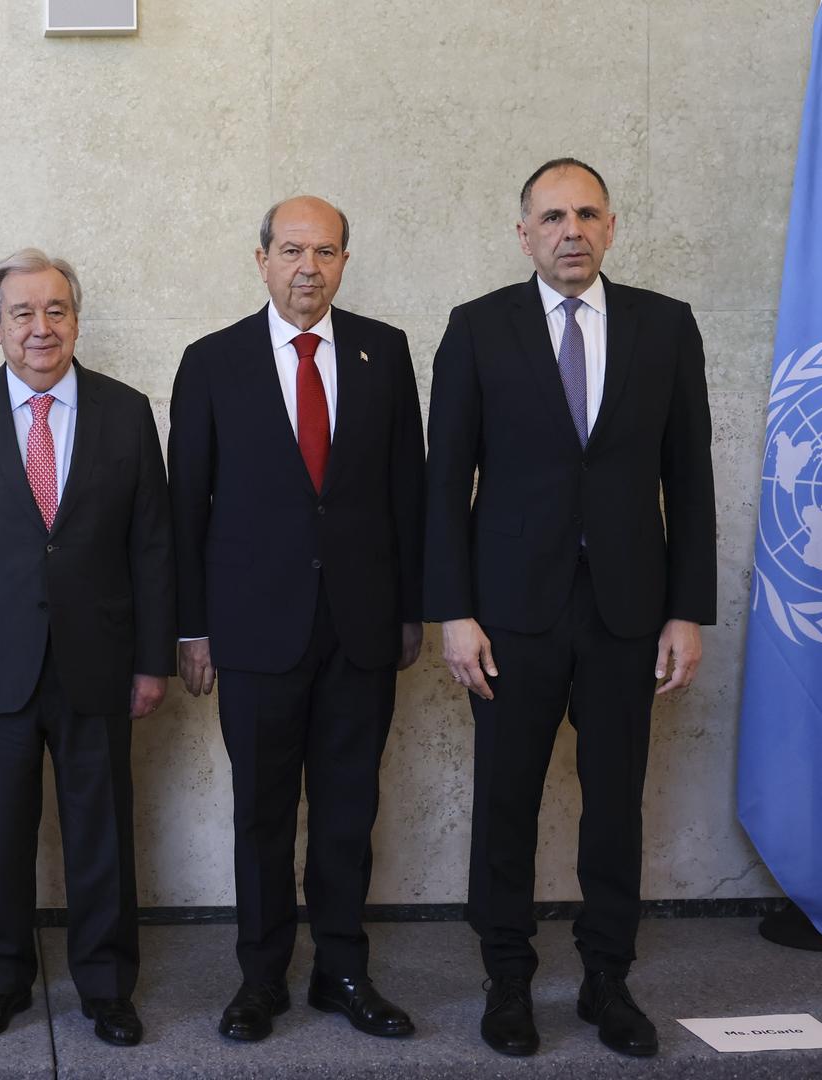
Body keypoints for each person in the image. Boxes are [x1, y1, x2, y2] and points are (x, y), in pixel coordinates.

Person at [425, 158, 716, 1059]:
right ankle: (506, 977)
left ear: (612, 226)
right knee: (506, 800)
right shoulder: (477, 329)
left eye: (587, 214)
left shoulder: (666, 326)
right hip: (510, 614)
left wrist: (686, 610)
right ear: (524, 234)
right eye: (552, 217)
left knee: (615, 803)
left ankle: (606, 979)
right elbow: (444, 485)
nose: (570, 231)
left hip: (629, 610)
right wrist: (453, 612)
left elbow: (690, 479)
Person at [168, 196, 426, 1043]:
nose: (307, 267)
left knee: (350, 810)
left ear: (344, 261)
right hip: (252, 630)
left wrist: (413, 610)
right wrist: (191, 627)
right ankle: (261, 979)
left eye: (323, 252)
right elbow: (186, 508)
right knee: (263, 813)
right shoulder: (211, 362)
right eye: (290, 250)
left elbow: (407, 494)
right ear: (261, 259)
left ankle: (343, 970)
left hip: (360, 627)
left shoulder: (383, 352)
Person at [0, 248, 174, 1048]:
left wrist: (152, 659)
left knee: (102, 834)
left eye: (56, 310)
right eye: (21, 313)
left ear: (77, 320)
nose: (40, 327)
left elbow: (153, 547)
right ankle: (2, 979)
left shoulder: (127, 412)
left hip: (99, 661)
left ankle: (105, 985)